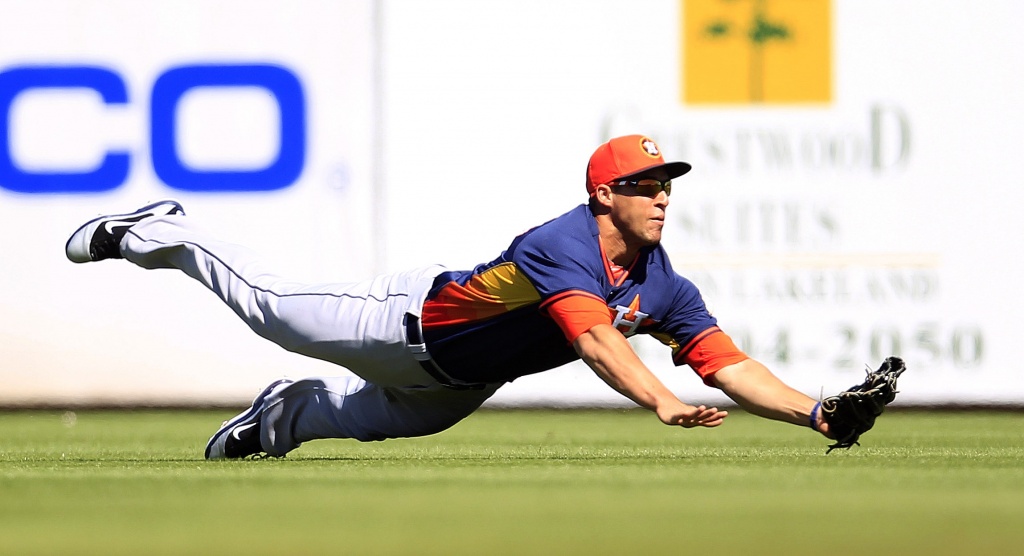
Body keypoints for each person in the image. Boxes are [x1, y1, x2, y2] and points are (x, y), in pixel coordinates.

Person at [65, 134, 835, 459]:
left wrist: (816, 413)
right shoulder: (562, 243)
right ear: (605, 193)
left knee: (354, 418)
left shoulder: (665, 284)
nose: (660, 196)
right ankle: (161, 229)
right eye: (643, 185)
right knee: (270, 306)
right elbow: (596, 338)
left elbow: (727, 364)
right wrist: (659, 400)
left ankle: (274, 420)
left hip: (456, 384)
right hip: (398, 322)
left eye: (665, 185)